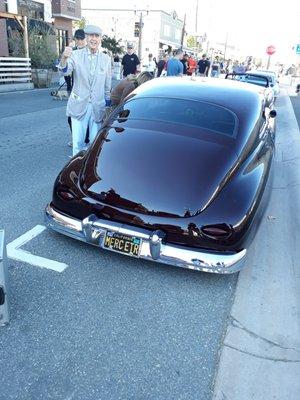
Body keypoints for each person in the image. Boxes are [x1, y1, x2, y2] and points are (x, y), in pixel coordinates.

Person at [58, 24, 111, 156]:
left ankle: (88, 173)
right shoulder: (75, 55)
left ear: (100, 39)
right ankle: (76, 172)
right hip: (79, 104)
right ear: (86, 38)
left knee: (94, 144)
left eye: (97, 36)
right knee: (78, 143)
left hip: (97, 106)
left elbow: (107, 85)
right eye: (91, 36)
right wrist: (64, 58)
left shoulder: (106, 59)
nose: (94, 39)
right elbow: (65, 71)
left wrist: (108, 105)